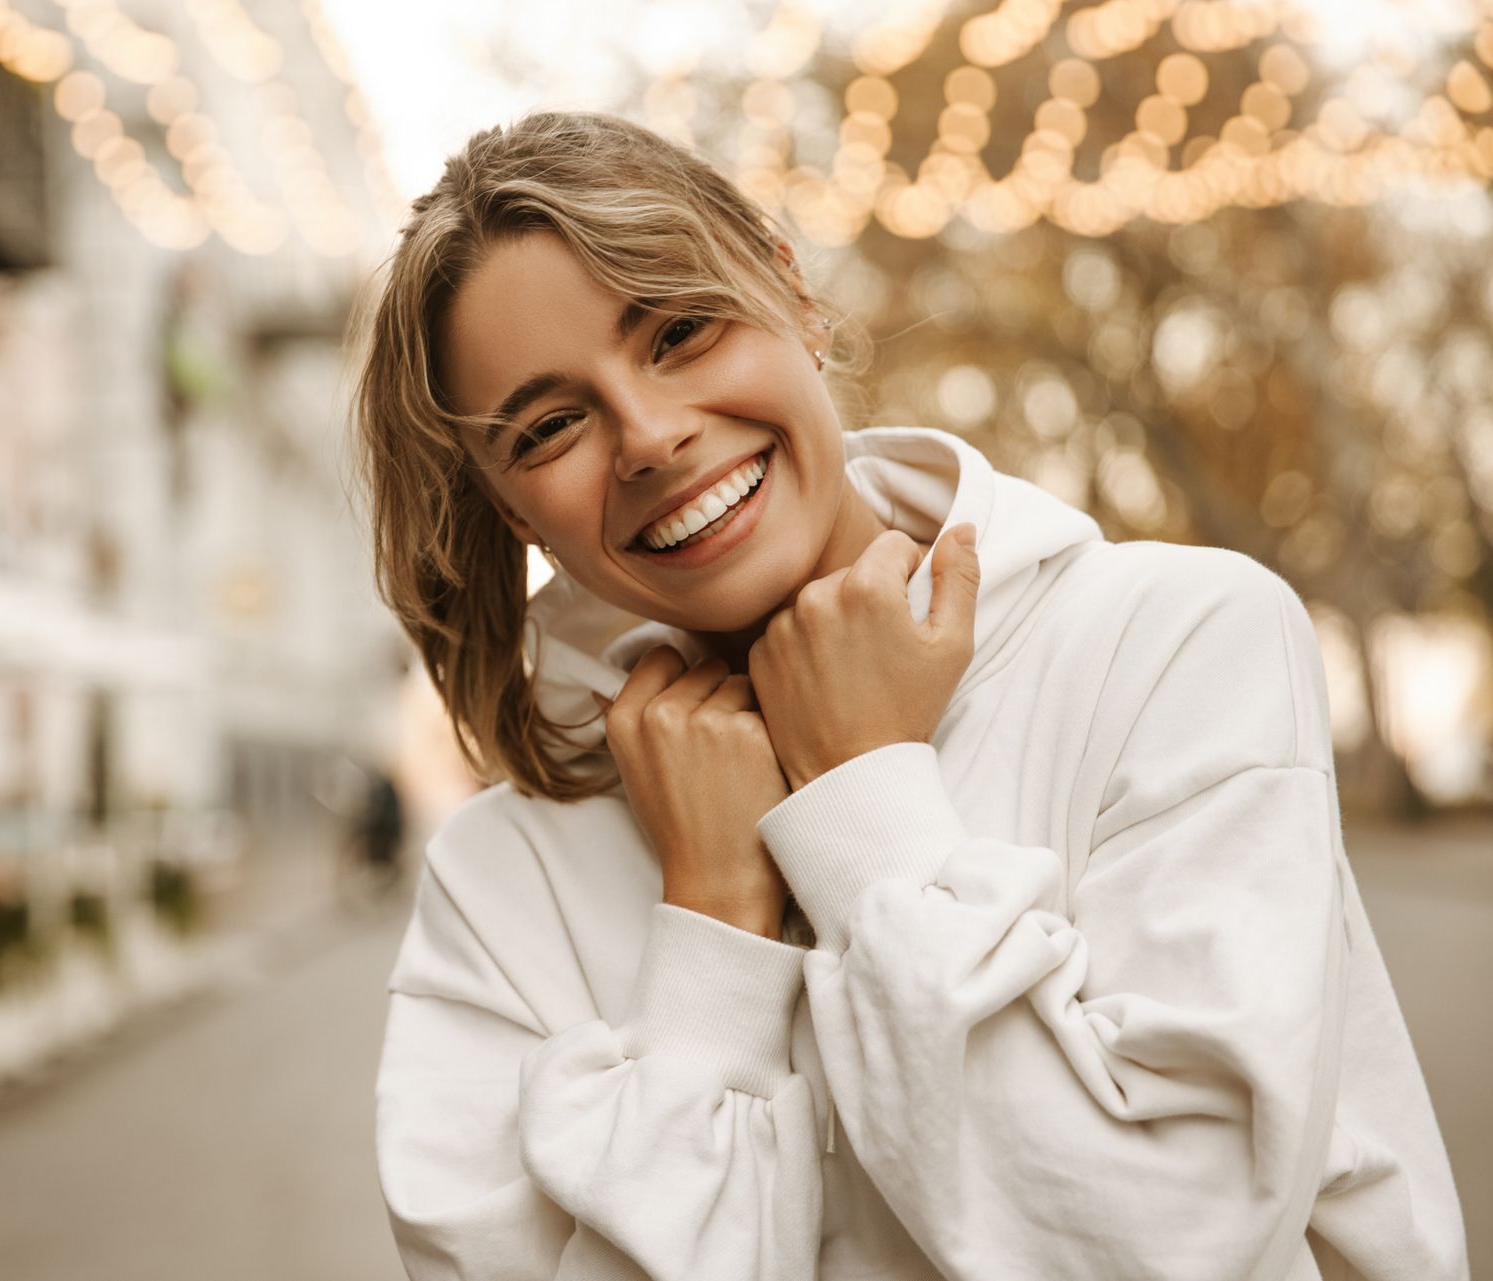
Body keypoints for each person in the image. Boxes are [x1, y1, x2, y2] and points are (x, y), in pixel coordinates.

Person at [350, 111, 1466, 1280]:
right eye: (550, 426)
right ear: (511, 511)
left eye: (680, 329)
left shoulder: (1176, 642)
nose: (648, 436)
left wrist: (862, 807)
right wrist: (714, 940)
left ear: (793, 292)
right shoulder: (499, 881)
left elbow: (1176, 1242)